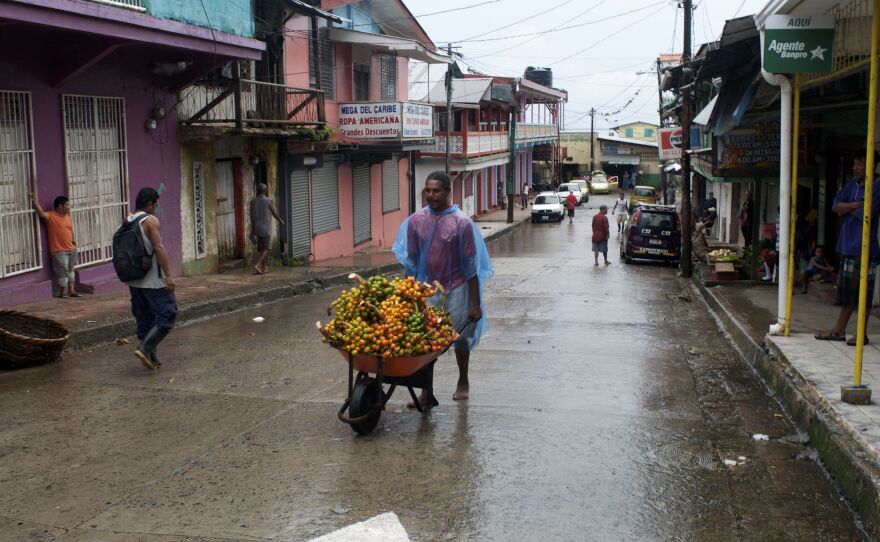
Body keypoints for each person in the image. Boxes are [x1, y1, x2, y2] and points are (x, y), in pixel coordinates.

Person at [393, 171, 493, 405]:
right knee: (426, 342)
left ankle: (463, 380)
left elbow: (470, 267)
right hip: (426, 289)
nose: (431, 195)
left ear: (448, 191)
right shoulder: (416, 221)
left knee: (460, 338)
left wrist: (475, 303)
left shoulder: (462, 223)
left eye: (436, 190)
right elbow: (411, 261)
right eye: (428, 190)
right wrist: (407, 293)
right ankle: (427, 391)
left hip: (456, 289)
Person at [815, 150, 880, 346]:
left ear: (870, 165)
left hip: (865, 247)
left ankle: (855, 332)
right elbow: (835, 205)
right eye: (854, 164)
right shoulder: (852, 184)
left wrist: (848, 208)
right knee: (846, 292)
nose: (854, 167)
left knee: (862, 293)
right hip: (848, 245)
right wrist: (856, 204)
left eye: (859, 164)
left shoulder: (877, 185)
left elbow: (868, 212)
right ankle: (841, 330)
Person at [125, 187, 177, 370]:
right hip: (152, 281)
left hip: (133, 281)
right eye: (155, 204)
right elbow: (159, 248)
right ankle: (146, 348)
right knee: (168, 313)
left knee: (144, 318)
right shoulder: (150, 221)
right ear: (149, 204)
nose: (156, 207)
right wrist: (169, 276)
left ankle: (151, 358)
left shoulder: (126, 221)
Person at [30, 192, 80, 299]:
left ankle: (72, 290)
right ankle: (63, 292)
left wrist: (74, 242)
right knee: (62, 271)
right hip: (59, 250)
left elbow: (70, 230)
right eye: (66, 204)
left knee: (71, 270)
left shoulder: (67, 216)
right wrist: (34, 201)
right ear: (60, 206)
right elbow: (41, 214)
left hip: (71, 248)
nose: (68, 207)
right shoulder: (51, 216)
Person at [249, 183, 284, 275]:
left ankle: (265, 268)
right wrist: (280, 220)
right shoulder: (268, 201)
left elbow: (251, 216)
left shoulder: (253, 201)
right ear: (265, 191)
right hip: (265, 228)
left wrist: (252, 229)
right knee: (266, 248)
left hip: (257, 227)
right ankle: (257, 265)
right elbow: (274, 213)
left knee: (262, 249)